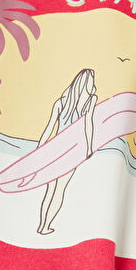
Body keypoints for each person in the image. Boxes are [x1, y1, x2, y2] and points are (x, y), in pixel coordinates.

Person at [36, 68, 97, 235]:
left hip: (55, 149)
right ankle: (46, 226)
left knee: (50, 189)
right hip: (72, 150)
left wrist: (39, 149)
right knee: (60, 189)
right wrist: (89, 147)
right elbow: (88, 125)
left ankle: (41, 225)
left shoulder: (61, 102)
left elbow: (49, 129)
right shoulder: (90, 100)